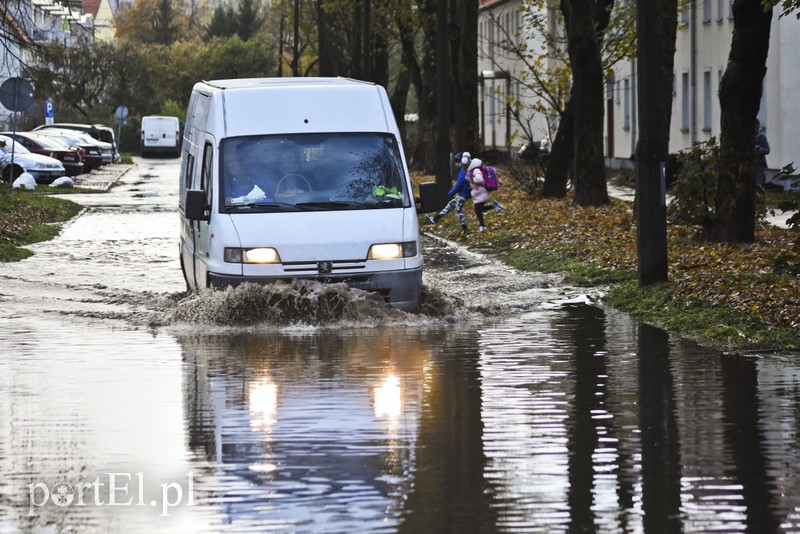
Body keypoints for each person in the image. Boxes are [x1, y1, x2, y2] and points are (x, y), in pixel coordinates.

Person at [426, 151, 473, 232]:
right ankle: (435, 218)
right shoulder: (466, 169)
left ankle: (464, 228)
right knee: (450, 205)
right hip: (463, 194)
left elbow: (459, 184)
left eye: (457, 162)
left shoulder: (463, 171)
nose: (456, 164)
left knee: (458, 210)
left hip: (463, 194)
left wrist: (451, 192)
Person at [466, 157, 504, 232]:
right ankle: (494, 206)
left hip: (481, 192)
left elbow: (479, 179)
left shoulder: (476, 170)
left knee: (477, 210)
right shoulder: (475, 170)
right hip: (479, 192)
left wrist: (472, 181)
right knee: (479, 209)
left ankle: (482, 226)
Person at [754, 119, 770, 187]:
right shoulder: (746, 137)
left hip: (759, 163)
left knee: (759, 183)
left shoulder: (761, 137)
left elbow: (767, 150)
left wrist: (761, 150)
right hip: (748, 163)